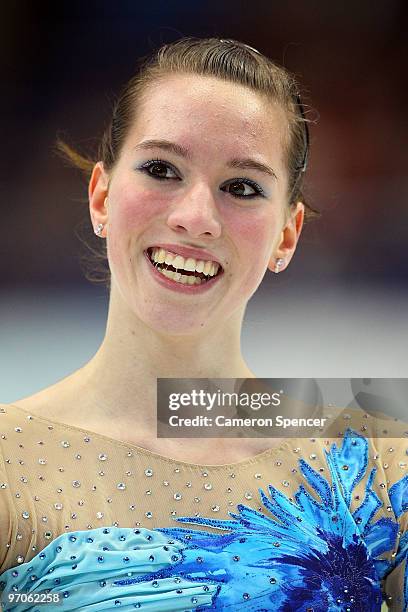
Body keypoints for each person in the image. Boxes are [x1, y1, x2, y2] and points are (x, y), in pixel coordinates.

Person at [0, 36, 406, 611]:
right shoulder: (8, 464)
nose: (195, 218)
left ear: (286, 234)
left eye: (241, 187)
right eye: (161, 169)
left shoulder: (375, 465)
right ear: (101, 198)